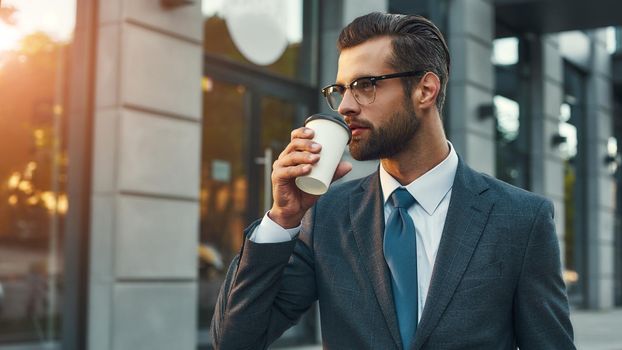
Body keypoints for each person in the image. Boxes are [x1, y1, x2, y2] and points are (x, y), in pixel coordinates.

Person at [210, 12, 574, 350]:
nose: (345, 107)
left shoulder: (520, 219)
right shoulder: (327, 217)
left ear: (425, 90)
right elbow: (234, 339)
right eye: (340, 90)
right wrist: (281, 218)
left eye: (365, 85)